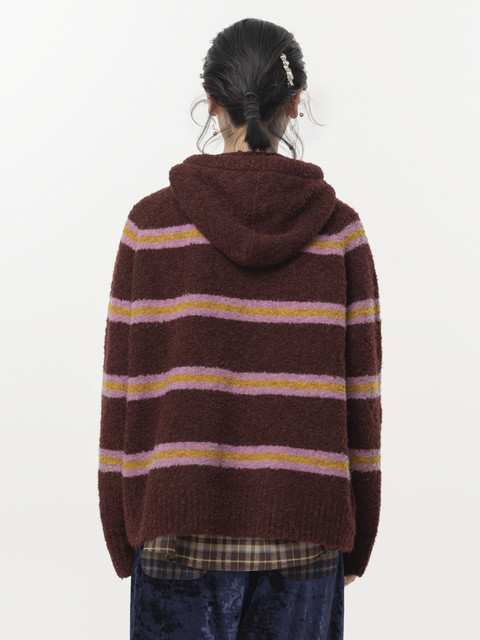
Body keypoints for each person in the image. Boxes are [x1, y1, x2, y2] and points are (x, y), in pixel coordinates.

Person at [98, 17, 382, 640]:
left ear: (211, 101)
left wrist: (122, 533)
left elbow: (123, 393)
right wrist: (355, 540)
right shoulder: (340, 234)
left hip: (174, 530)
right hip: (305, 536)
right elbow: (362, 405)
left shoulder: (151, 228)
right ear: (296, 103)